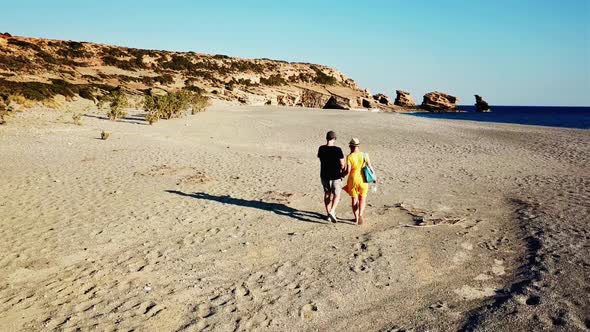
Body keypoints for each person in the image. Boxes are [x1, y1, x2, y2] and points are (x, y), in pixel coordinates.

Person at [343, 138, 376, 225]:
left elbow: (348, 171)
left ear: (350, 146)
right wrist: (374, 177)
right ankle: (361, 214)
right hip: (364, 180)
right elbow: (370, 166)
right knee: (363, 198)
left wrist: (342, 174)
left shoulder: (349, 157)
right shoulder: (365, 155)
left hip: (353, 180)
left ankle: (356, 218)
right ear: (358, 146)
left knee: (354, 200)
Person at [317, 131, 345, 222]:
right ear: (334, 139)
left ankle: (328, 213)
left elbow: (320, 158)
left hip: (324, 174)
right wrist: (343, 171)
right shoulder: (338, 149)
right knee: (337, 194)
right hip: (335, 175)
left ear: (327, 138)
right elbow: (342, 163)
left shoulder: (321, 148)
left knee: (327, 193)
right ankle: (332, 211)